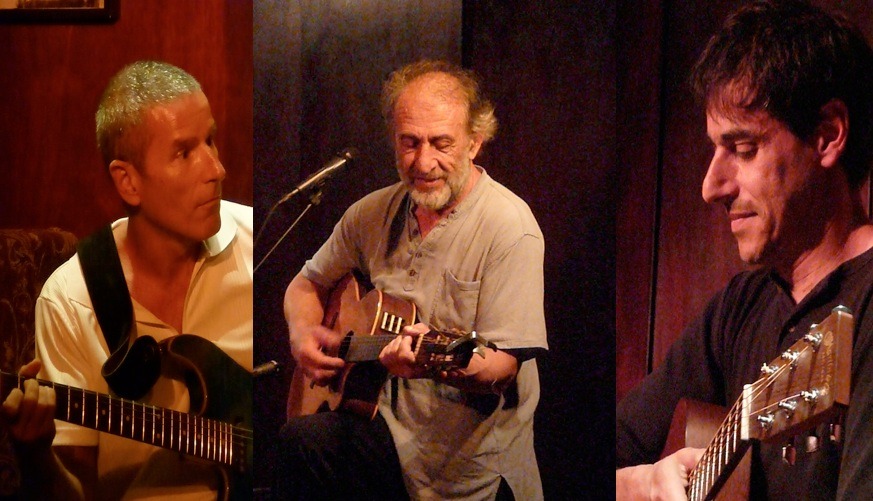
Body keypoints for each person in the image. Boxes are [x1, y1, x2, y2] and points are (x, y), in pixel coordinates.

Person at [616, 1, 873, 499]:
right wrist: (645, 483)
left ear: (826, 136)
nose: (711, 187)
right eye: (715, 148)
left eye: (743, 149)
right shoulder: (741, 306)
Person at [279, 59, 548, 500]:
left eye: (441, 143)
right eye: (409, 143)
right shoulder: (370, 213)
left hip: (464, 469)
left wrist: (434, 362)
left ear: (475, 142)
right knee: (300, 444)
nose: (423, 162)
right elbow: (306, 284)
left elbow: (501, 366)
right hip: (385, 430)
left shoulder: (510, 227)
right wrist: (303, 333)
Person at [0, 60, 253, 499]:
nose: (216, 169)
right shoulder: (70, 299)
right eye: (185, 152)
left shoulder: (260, 244)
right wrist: (35, 453)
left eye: (211, 140)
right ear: (128, 181)